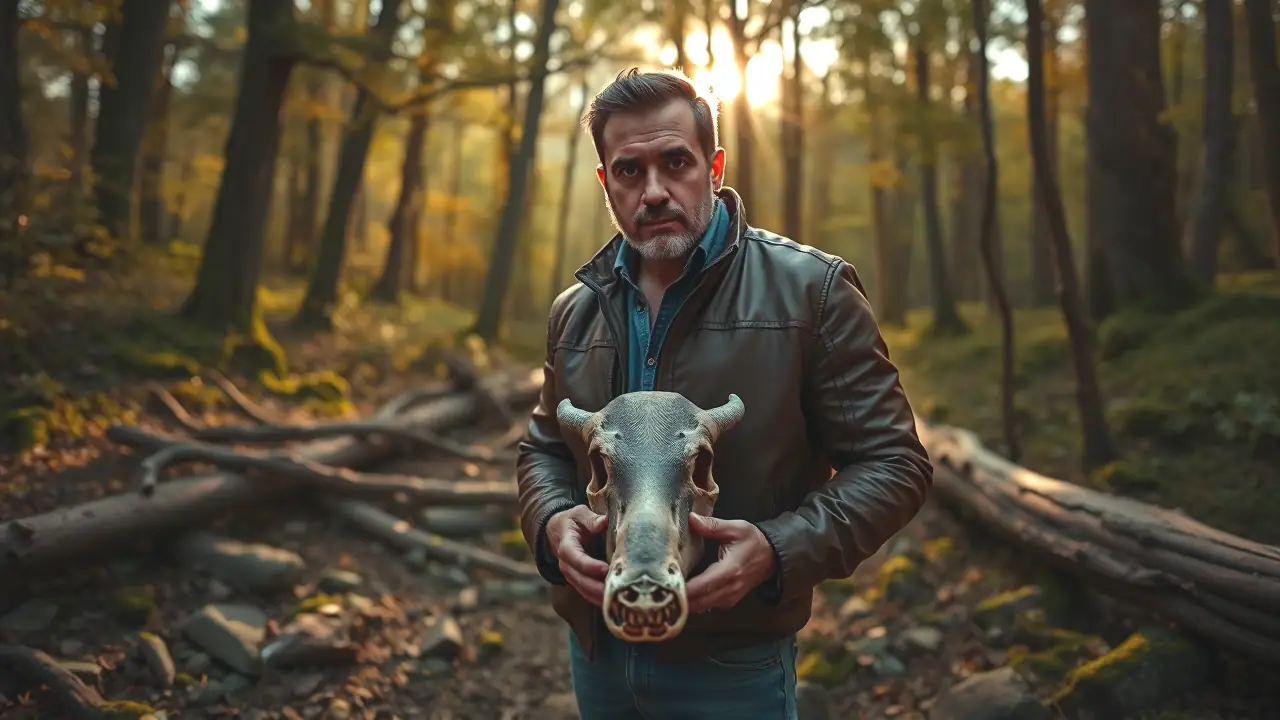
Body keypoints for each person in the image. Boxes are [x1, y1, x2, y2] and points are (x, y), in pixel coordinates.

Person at [515, 67, 933, 719]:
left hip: (733, 662)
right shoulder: (575, 311)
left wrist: (777, 550)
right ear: (605, 183)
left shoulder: (812, 292)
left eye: (675, 162)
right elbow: (542, 451)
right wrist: (549, 523)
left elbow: (897, 465)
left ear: (714, 166)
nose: (654, 191)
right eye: (629, 171)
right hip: (596, 650)